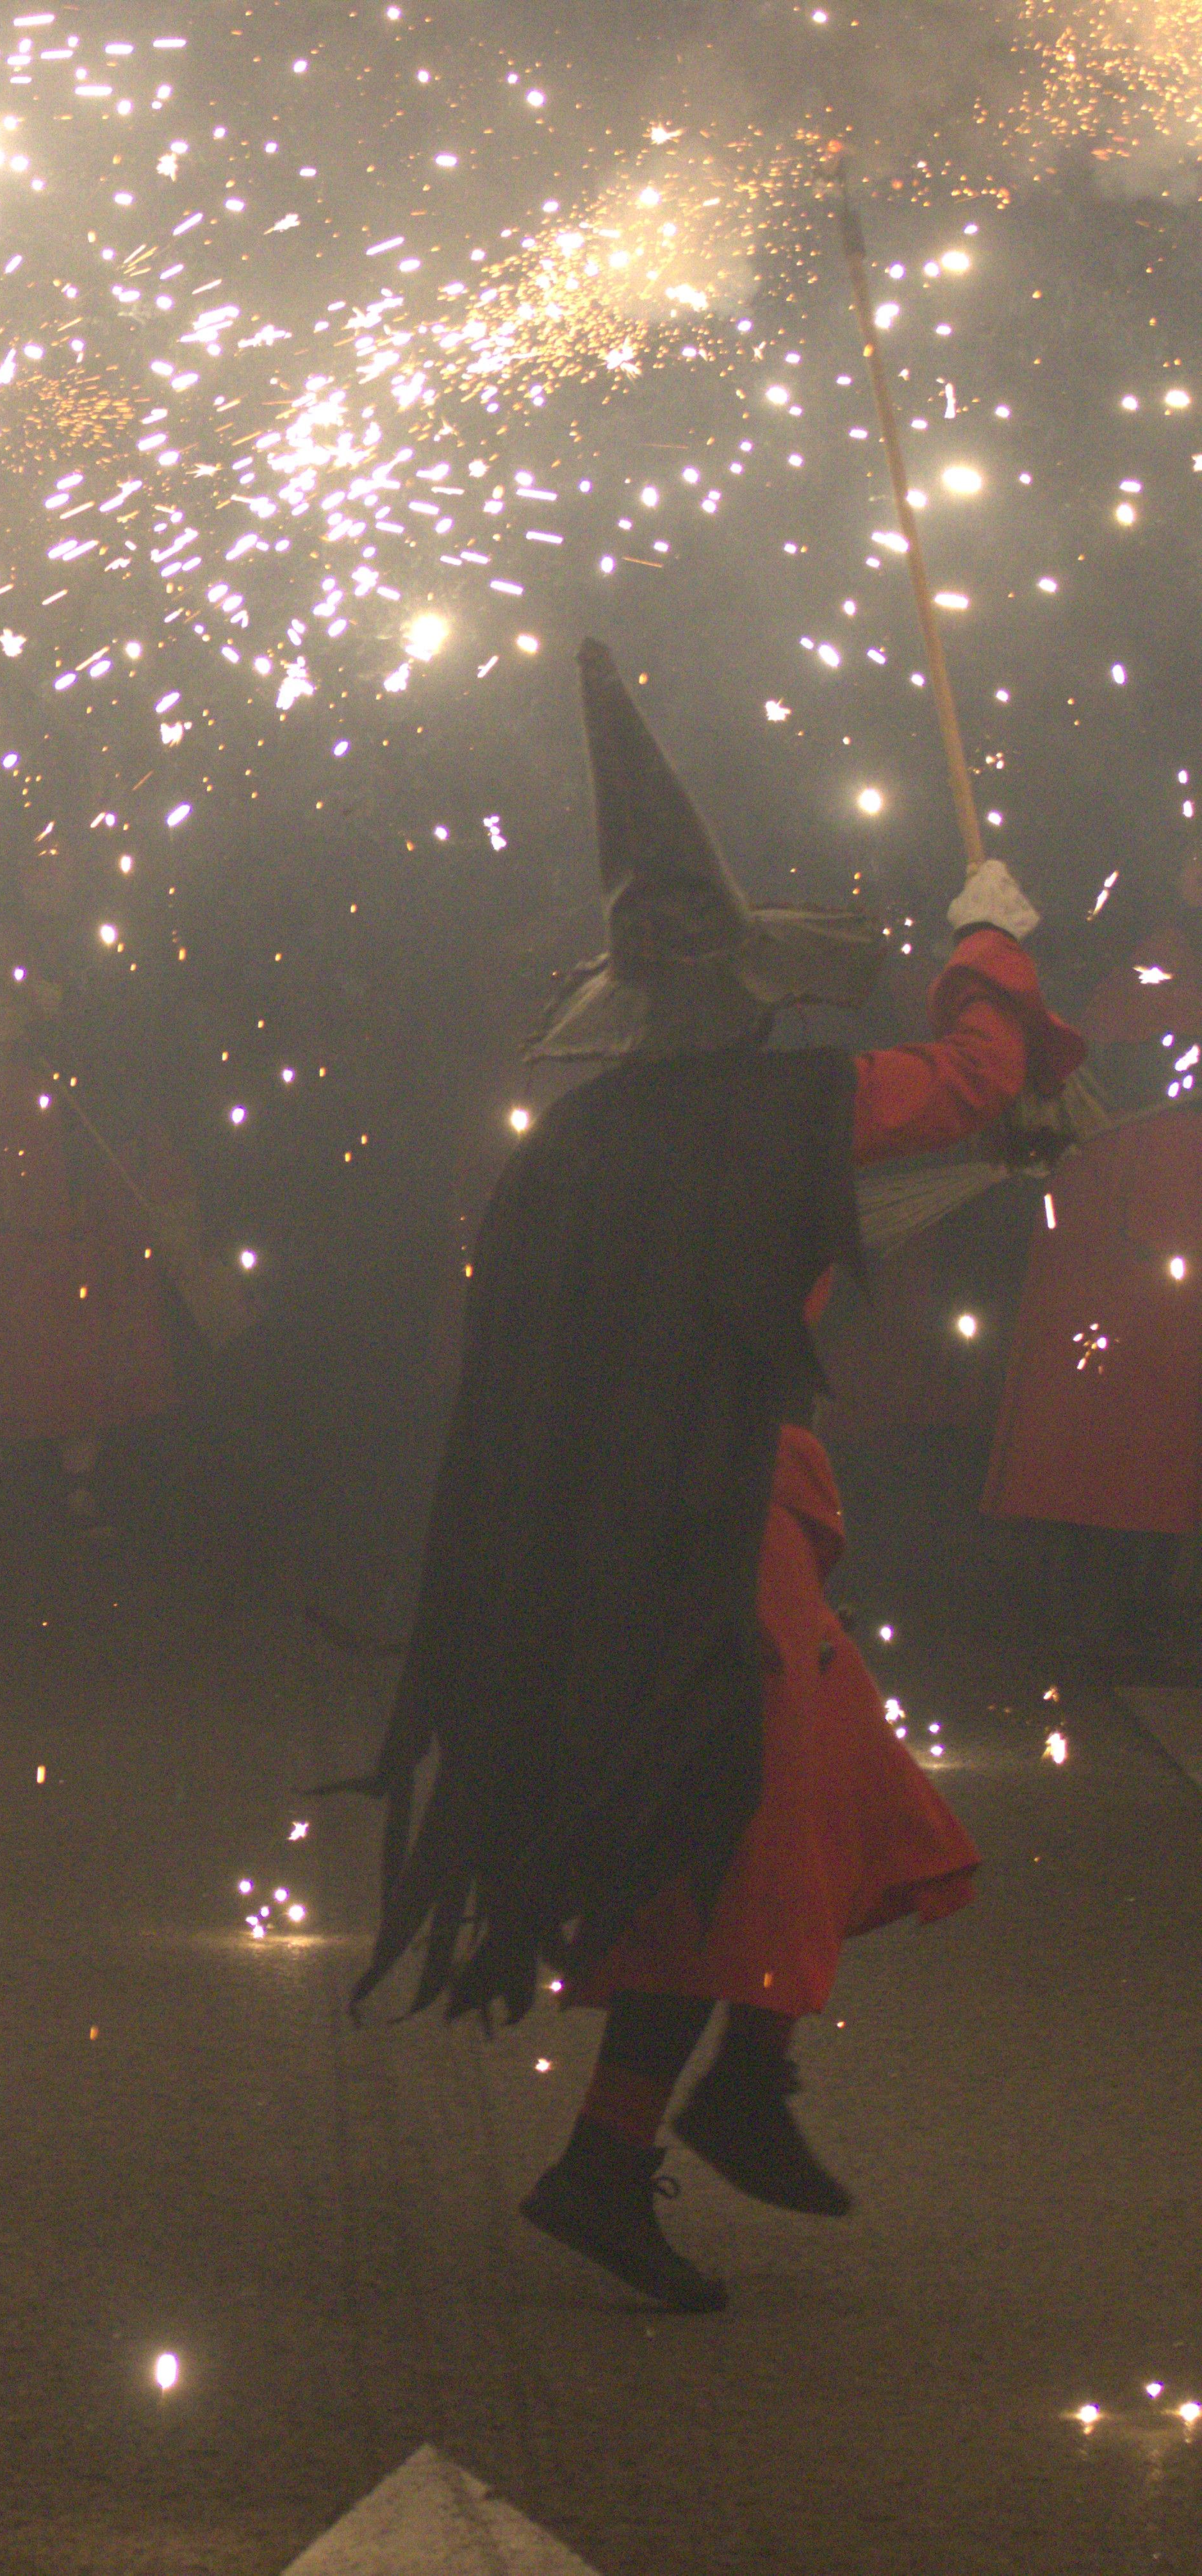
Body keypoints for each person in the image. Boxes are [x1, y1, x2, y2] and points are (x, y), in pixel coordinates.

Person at [354, 641, 1080, 2315]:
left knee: (803, 1804)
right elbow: (972, 1082)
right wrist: (993, 947)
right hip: (717, 1529)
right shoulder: (789, 1106)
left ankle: (721, 2094)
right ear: (745, 994)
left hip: (626, 1525)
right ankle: (637, 2142)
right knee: (739, 1829)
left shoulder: (581, 1146)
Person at [0, 837, 195, 1530]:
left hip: (72, 1155)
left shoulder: (103, 947)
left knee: (75, 1296)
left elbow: (132, 1041)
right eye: (35, 866)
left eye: (60, 867)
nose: (47, 878)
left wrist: (61, 1016)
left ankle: (79, 1471)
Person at [980, 851, 1202, 1662]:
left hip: (1163, 1233)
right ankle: (1100, 1623)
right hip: (1124, 1240)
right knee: (1111, 1442)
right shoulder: (1132, 972)